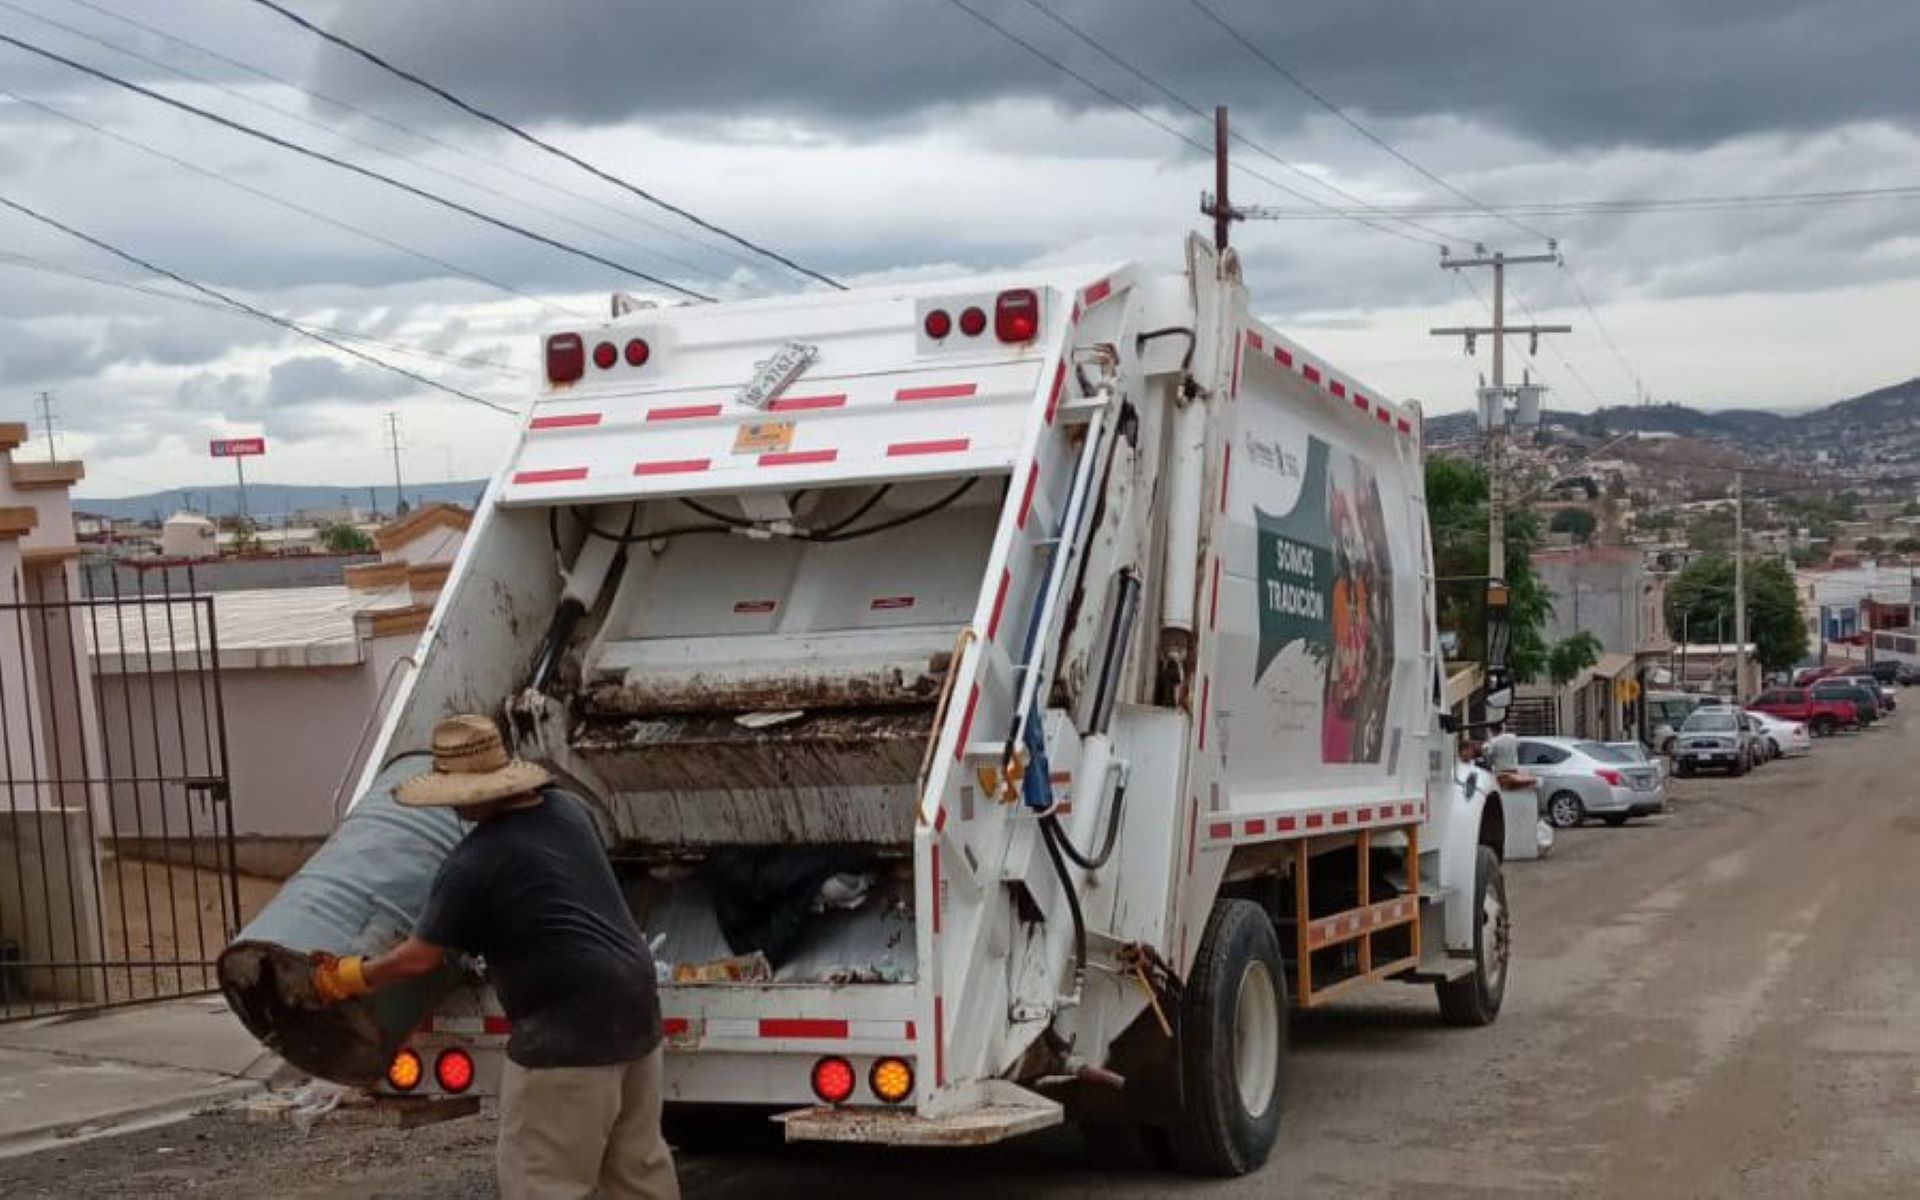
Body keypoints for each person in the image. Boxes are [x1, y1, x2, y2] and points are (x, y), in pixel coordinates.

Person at [310, 714, 677, 1200]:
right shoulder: (568, 810)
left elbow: (418, 959)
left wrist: (347, 978)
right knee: (637, 1172)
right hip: (635, 1007)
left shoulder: (475, 864)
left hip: (564, 1039)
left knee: (544, 1182)